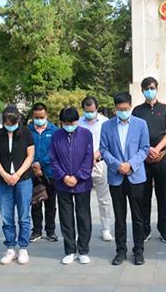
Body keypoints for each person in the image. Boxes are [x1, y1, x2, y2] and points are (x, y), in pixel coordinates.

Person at [100, 92, 150, 266]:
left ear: (130, 106)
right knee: (119, 218)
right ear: (115, 109)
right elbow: (104, 150)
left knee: (138, 216)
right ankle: (120, 251)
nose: (123, 112)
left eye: (126, 109)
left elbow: (144, 148)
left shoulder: (140, 124)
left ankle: (139, 251)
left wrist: (130, 164)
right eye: (120, 109)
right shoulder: (107, 126)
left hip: (135, 176)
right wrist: (117, 165)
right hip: (116, 177)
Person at [132, 77, 166, 244]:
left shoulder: (165, 109)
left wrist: (158, 149)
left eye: (152, 87)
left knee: (163, 196)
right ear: (142, 91)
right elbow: (134, 134)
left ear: (157, 88)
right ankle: (145, 229)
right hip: (143, 160)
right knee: (144, 196)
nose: (150, 90)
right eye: (146, 88)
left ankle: (164, 229)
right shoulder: (137, 111)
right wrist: (147, 151)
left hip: (162, 158)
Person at [0, 106, 35, 265]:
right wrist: (5, 175)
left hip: (23, 179)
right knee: (6, 216)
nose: (10, 125)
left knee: (24, 215)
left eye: (13, 122)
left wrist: (17, 174)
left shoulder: (26, 133)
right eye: (7, 122)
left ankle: (23, 248)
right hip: (4, 181)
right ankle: (10, 248)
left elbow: (30, 156)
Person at [50, 106, 94, 265]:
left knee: (83, 216)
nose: (69, 125)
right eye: (66, 123)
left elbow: (89, 157)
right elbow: (53, 159)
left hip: (82, 183)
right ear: (61, 122)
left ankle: (83, 249)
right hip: (63, 184)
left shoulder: (86, 134)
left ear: (77, 121)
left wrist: (78, 176)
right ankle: (69, 250)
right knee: (66, 217)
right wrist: (63, 176)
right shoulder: (56, 136)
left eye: (72, 122)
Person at [78, 96, 113, 242]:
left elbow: (109, 143)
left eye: (92, 111)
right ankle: (83, 229)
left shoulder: (105, 122)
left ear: (97, 109)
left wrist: (96, 155)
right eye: (87, 111)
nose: (89, 114)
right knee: (81, 199)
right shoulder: (78, 123)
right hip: (81, 164)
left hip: (101, 163)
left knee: (104, 199)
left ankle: (106, 228)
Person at [28, 102, 59, 243]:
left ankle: (50, 231)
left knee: (51, 202)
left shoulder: (54, 130)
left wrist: (42, 163)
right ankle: (36, 230)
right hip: (32, 172)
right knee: (35, 201)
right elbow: (26, 148)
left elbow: (55, 150)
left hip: (50, 172)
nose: (39, 119)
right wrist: (34, 163)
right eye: (36, 117)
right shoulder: (27, 130)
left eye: (41, 116)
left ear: (46, 115)